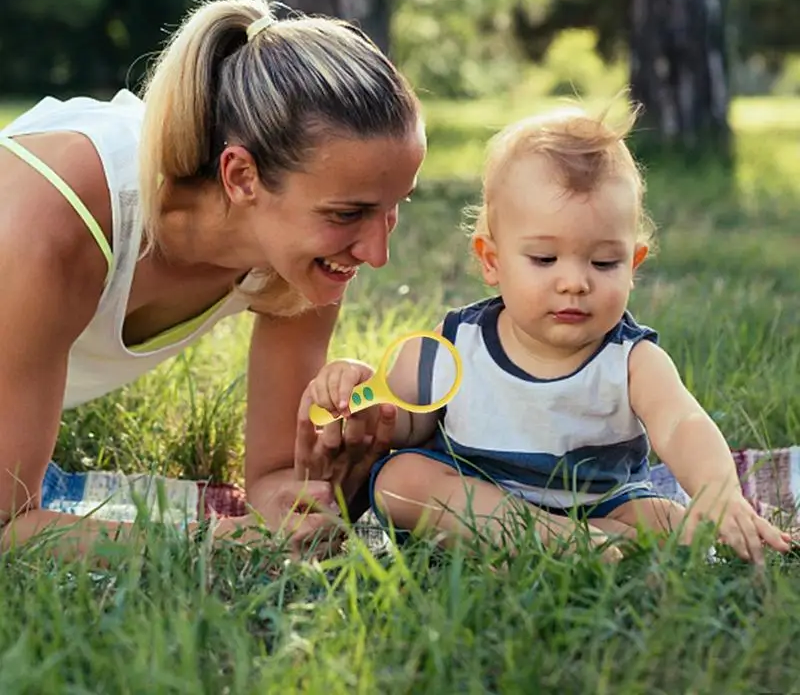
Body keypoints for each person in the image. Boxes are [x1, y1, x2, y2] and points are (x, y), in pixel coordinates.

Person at [0, 0, 424, 557]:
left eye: (393, 207)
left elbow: (272, 477)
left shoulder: (298, 251)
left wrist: (310, 497)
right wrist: (216, 541)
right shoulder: (54, 220)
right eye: (349, 214)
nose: (377, 252)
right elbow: (9, 525)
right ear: (242, 176)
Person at [303, 105, 792, 565]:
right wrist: (361, 391)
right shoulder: (457, 343)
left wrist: (717, 490)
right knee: (399, 481)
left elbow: (682, 425)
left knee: (671, 521)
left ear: (633, 265)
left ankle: (589, 541)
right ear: (492, 260)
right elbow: (405, 423)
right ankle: (547, 539)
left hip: (602, 506)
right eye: (544, 259)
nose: (575, 282)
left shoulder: (630, 359)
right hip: (484, 503)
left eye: (604, 262)